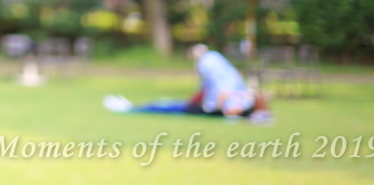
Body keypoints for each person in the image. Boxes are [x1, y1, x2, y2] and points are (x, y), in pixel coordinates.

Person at [103, 44, 270, 120]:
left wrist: (218, 108)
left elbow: (223, 93)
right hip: (208, 106)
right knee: (169, 104)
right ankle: (131, 106)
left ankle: (130, 107)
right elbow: (210, 90)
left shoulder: (209, 62)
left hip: (210, 108)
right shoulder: (217, 62)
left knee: (167, 106)